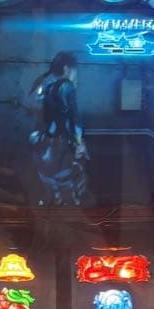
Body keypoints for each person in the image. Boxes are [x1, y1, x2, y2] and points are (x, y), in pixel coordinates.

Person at [29, 51, 90, 206]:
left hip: (43, 143)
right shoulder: (67, 86)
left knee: (51, 184)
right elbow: (74, 117)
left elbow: (40, 114)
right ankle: (69, 206)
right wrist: (79, 141)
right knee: (68, 183)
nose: (76, 76)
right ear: (66, 69)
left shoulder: (46, 86)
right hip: (60, 145)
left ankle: (54, 203)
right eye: (75, 71)